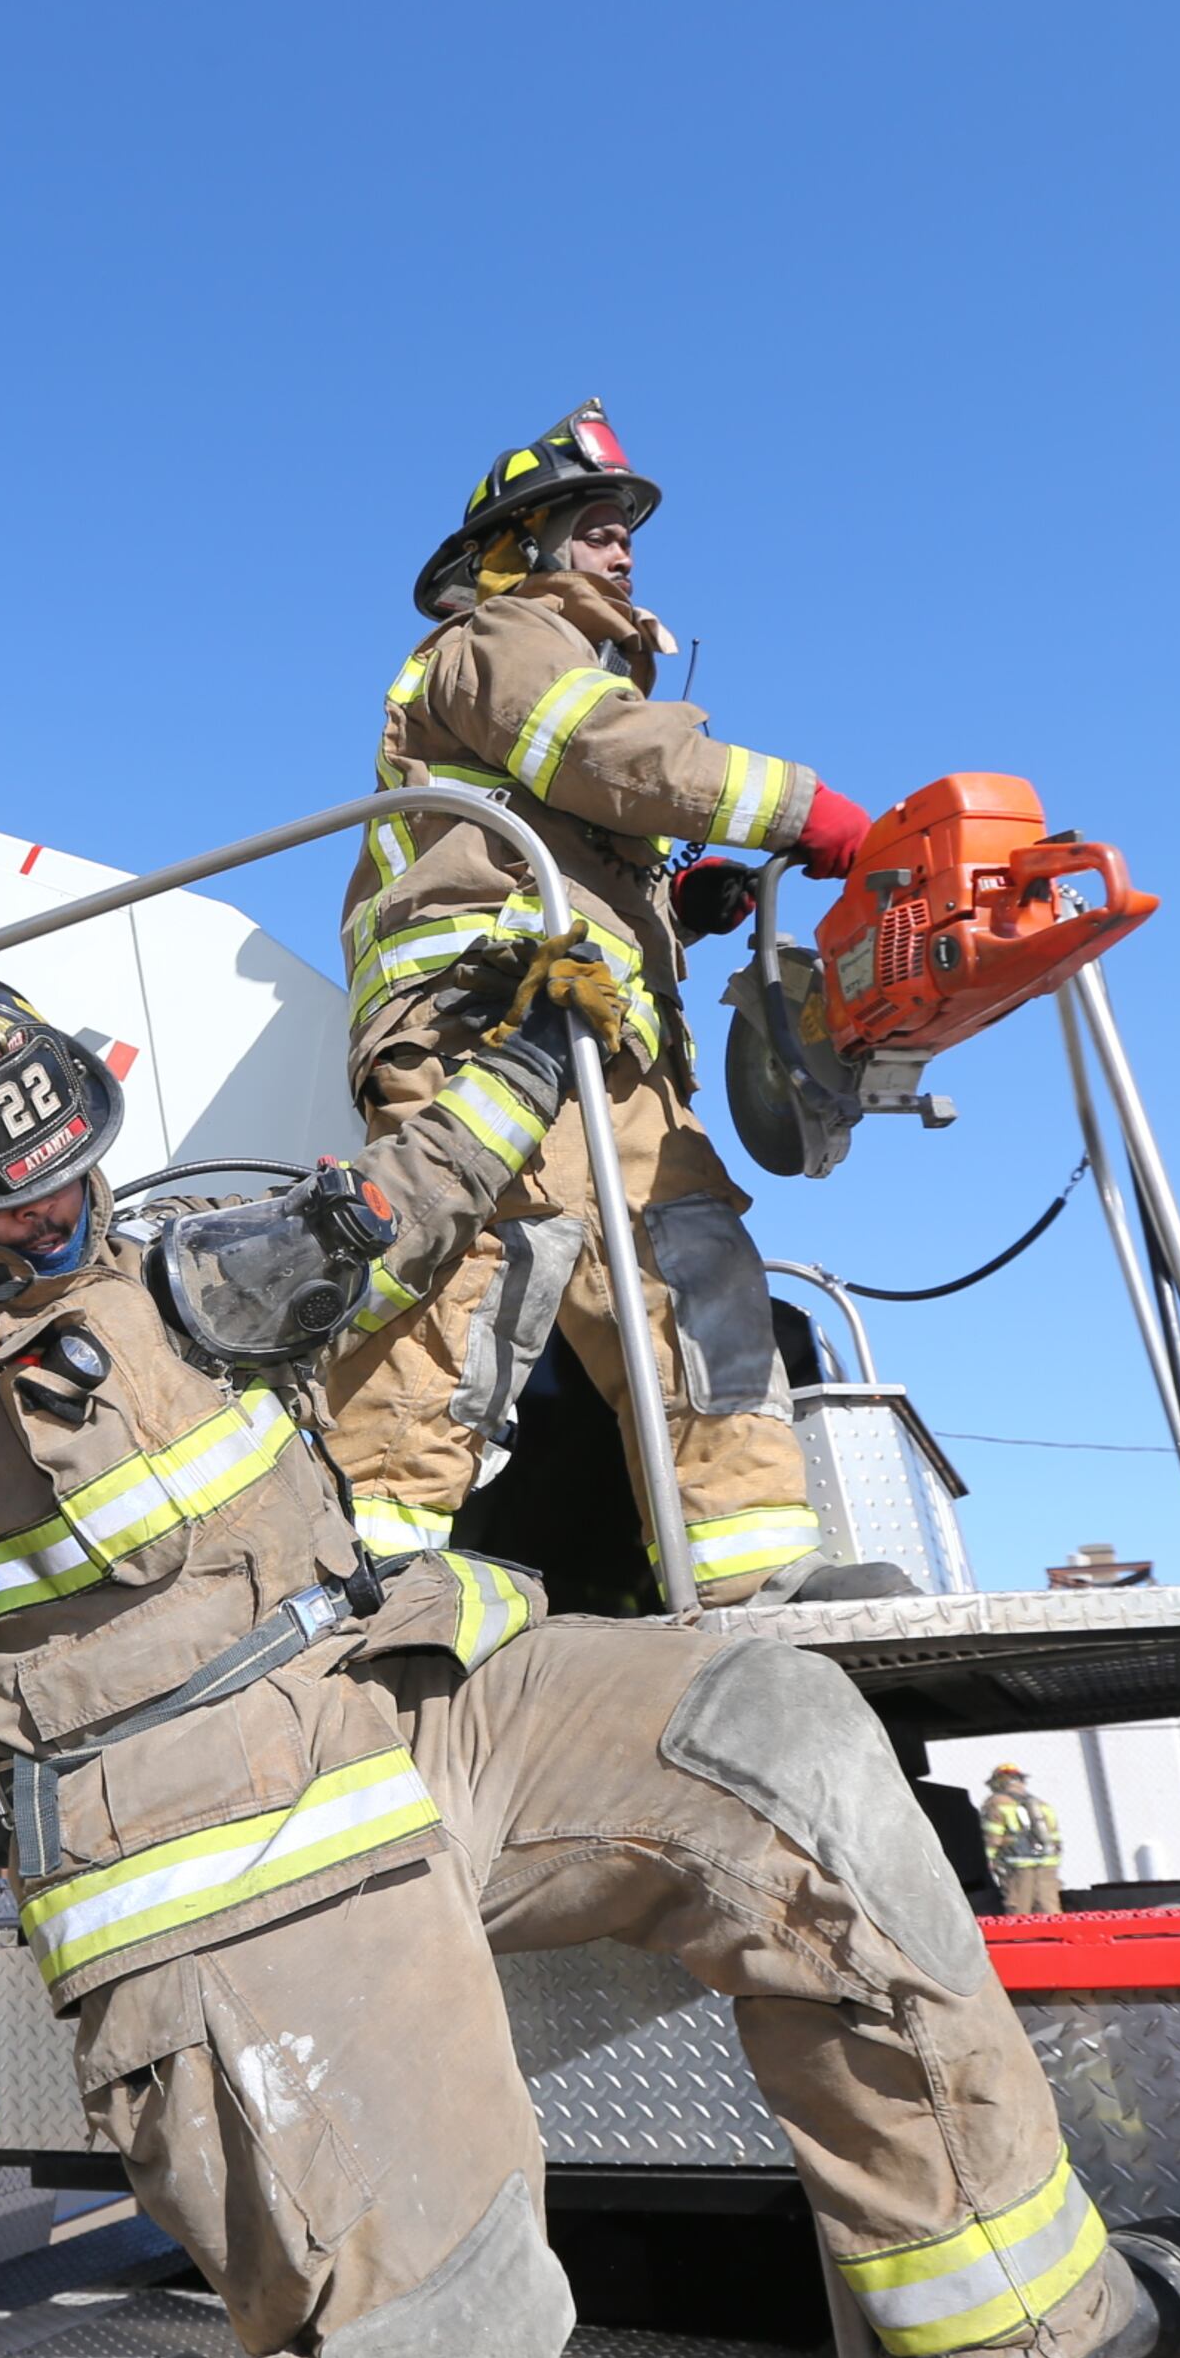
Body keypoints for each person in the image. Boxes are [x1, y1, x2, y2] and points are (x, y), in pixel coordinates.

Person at [0, 975, 1180, 2358]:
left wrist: (529, 1052)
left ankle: (1017, 2354)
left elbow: (410, 1200)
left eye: (76, 1176)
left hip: (415, 1705)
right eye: (15, 1205)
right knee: (445, 2343)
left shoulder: (178, 1265)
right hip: (232, 1864)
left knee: (774, 1738)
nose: (64, 1217)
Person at [324, 400, 878, 1607]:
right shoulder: (506, 635)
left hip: (602, 1039)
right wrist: (809, 812)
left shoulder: (557, 655)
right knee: (473, 1269)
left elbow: (581, 835)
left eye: (627, 530)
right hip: (488, 1025)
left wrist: (684, 905)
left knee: (698, 1272)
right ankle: (375, 1576)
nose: (624, 549)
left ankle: (753, 1563)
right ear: (514, 547)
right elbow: (610, 756)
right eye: (594, 525)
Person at [985, 1764, 1066, 1914]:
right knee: (1049, 1906)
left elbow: (992, 1837)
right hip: (1048, 1864)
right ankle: (1056, 1935)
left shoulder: (996, 1803)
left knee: (1018, 1909)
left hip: (1017, 1866)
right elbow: (1054, 1836)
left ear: (998, 1782)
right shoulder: (1042, 1804)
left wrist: (987, 1859)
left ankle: (1019, 1938)